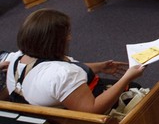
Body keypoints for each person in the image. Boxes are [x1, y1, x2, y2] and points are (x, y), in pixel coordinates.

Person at [4, 9, 145, 113]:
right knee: (136, 87)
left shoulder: (16, 58)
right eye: (66, 35)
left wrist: (100, 67)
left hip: (47, 109)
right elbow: (92, 110)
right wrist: (126, 78)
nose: (69, 38)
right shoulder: (61, 75)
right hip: (82, 121)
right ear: (52, 42)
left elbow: (54, 73)